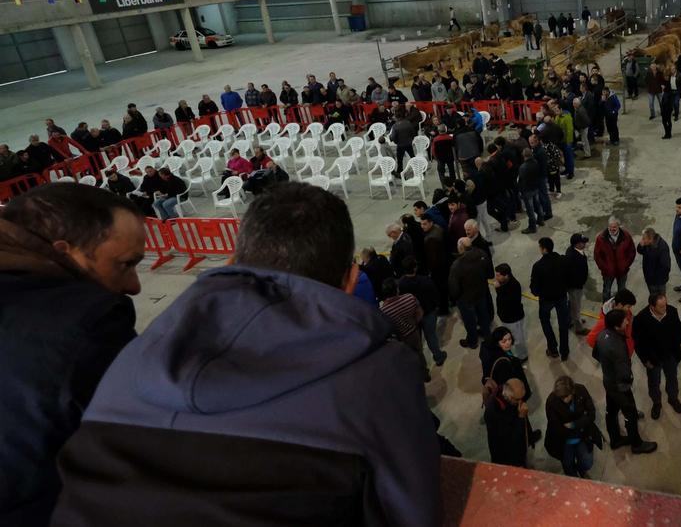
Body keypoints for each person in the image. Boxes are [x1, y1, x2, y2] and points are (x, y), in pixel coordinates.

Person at [51, 183, 440, 525]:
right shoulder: (381, 373)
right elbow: (412, 510)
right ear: (351, 279)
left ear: (234, 261)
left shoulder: (135, 354)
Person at [0, 184, 141, 525]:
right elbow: (141, 442)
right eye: (125, 264)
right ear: (69, 252)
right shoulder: (89, 323)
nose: (135, 285)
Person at [592, 308, 657, 454]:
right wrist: (629, 379)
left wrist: (607, 366)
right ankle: (637, 444)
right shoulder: (617, 346)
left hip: (609, 381)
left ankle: (615, 439)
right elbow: (624, 371)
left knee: (612, 410)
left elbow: (595, 353)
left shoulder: (603, 334)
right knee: (630, 413)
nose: (627, 322)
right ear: (617, 326)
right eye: (624, 321)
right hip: (620, 386)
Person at [632, 292, 681, 419]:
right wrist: (645, 360)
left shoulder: (672, 311)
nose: (665, 308)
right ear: (652, 306)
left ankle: (673, 399)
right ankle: (657, 403)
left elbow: (678, 331)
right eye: (661, 306)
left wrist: (676, 354)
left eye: (665, 305)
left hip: (670, 356)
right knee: (654, 383)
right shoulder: (641, 319)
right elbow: (638, 342)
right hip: (652, 360)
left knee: (672, 379)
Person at [545, 375, 602, 479]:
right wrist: (582, 421)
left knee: (587, 462)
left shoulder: (581, 390)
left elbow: (591, 414)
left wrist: (574, 424)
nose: (564, 400)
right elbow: (556, 426)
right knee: (568, 465)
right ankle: (574, 478)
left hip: (582, 435)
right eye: (561, 397)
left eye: (566, 396)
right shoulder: (551, 401)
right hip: (564, 441)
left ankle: (581, 470)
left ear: (573, 391)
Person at [394, 256, 447, 367]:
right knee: (431, 336)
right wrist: (436, 307)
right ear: (415, 268)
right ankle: (438, 357)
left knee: (417, 341)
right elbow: (435, 295)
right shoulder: (425, 280)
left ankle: (421, 364)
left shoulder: (400, 284)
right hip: (428, 313)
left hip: (412, 316)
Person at [448, 237, 494, 350]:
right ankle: (487, 335)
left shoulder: (457, 265)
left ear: (461, 248)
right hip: (481, 293)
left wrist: (456, 297)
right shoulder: (482, 254)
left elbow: (454, 288)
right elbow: (490, 274)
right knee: (484, 315)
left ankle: (473, 341)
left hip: (466, 299)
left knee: (470, 321)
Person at [530, 237, 571, 360]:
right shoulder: (563, 260)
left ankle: (552, 348)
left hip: (546, 299)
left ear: (543, 249)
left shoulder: (538, 266)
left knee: (545, 321)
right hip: (561, 297)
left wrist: (538, 292)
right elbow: (569, 277)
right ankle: (564, 351)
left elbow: (534, 288)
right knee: (563, 324)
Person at [484, 378, 529, 468]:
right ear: (510, 397)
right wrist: (521, 417)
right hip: (507, 455)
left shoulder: (506, 395)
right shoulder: (495, 412)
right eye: (518, 399)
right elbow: (511, 439)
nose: (521, 402)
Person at [594, 217, 636, 300]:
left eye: (614, 227)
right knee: (606, 291)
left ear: (618, 226)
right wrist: (604, 268)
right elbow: (597, 256)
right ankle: (605, 309)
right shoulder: (601, 238)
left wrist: (625, 265)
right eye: (610, 226)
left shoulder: (626, 236)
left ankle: (620, 307)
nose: (612, 229)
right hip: (608, 272)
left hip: (622, 271)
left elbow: (631, 251)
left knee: (622, 291)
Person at [493, 264, 528, 361]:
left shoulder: (513, 285)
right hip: (507, 318)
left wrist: (498, 289)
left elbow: (509, 303)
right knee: (513, 337)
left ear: (506, 276)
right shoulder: (504, 283)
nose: (496, 277)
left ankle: (522, 356)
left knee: (517, 339)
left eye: (498, 275)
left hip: (513, 319)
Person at [563, 233, 590, 335]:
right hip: (575, 287)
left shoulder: (574, 251)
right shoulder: (572, 257)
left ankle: (571, 320)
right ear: (577, 244)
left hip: (577, 285)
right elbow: (571, 275)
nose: (585, 243)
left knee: (573, 305)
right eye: (583, 242)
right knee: (576, 306)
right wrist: (579, 284)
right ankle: (579, 328)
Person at [635, 227, 671, 299]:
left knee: (661, 298)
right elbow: (640, 251)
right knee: (653, 298)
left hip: (659, 281)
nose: (642, 240)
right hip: (650, 278)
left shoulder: (662, 247)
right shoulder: (646, 244)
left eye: (644, 239)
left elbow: (666, 266)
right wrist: (640, 246)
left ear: (650, 239)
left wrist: (658, 279)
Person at [517, 148, 544, 234]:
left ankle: (532, 227)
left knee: (530, 209)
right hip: (535, 187)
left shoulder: (523, 167)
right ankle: (540, 220)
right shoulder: (536, 162)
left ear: (524, 156)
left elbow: (521, 181)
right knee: (538, 204)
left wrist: (520, 191)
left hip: (527, 190)